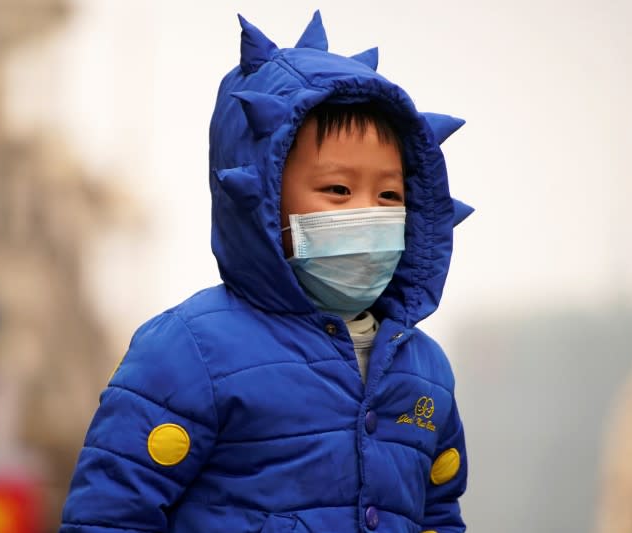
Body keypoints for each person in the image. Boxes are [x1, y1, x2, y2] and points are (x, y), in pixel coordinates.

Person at [60, 10, 472, 533]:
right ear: (262, 197)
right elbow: (110, 517)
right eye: (338, 191)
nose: (368, 213)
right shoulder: (192, 349)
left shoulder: (425, 368)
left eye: (390, 195)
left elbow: (438, 514)